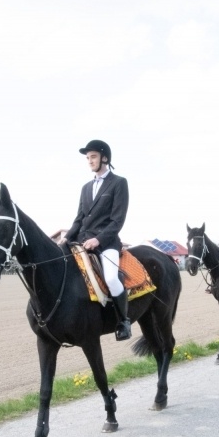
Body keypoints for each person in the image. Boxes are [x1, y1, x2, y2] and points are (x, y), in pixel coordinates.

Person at [61, 139, 131, 341]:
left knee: (110, 278)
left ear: (104, 158)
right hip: (81, 241)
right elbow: (79, 219)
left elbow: (118, 220)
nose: (89, 161)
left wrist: (98, 240)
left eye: (93, 157)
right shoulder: (85, 188)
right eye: (87, 158)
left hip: (106, 243)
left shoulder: (119, 183)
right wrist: (66, 238)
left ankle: (123, 321)